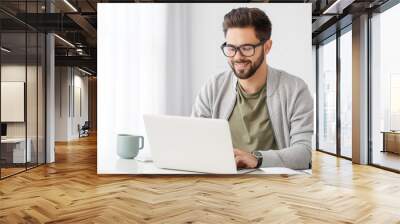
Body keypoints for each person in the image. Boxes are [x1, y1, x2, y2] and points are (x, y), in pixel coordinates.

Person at [191, 7, 313, 170]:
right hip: (222, 182)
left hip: (276, 185)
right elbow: (194, 140)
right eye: (231, 48)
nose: (237, 56)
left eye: (247, 48)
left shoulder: (295, 89)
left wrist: (257, 159)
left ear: (267, 47)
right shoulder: (213, 87)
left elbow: (303, 154)